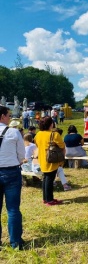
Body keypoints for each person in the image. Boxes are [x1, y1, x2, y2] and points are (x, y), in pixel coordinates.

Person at [0, 106, 25, 249]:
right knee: (13, 209)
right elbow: (22, 155)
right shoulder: (14, 132)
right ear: (3, 116)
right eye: (9, 115)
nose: (10, 118)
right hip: (11, 172)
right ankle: (15, 242)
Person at [34, 116, 65, 206]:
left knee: (46, 178)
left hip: (42, 158)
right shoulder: (54, 134)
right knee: (50, 180)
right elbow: (62, 145)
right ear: (51, 124)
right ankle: (49, 200)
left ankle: (46, 198)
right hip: (52, 159)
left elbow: (36, 143)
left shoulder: (38, 134)